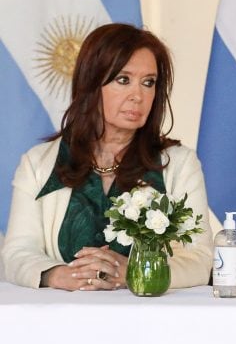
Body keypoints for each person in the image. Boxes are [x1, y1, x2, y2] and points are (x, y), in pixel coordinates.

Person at [2, 23, 213, 290]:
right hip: (61, 320)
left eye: (149, 83)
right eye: (123, 80)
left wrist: (135, 272)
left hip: (152, 323)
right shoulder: (38, 163)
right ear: (90, 84)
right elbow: (16, 253)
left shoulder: (180, 164)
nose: (138, 96)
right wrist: (60, 275)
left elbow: (201, 259)